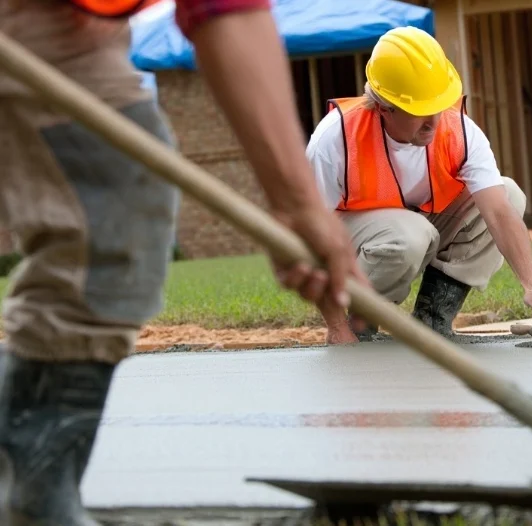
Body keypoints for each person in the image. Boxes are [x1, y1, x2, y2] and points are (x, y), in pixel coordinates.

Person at [0, 0, 368, 523]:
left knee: (121, 202)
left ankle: (33, 489)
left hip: (72, 28)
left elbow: (225, 9)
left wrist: (295, 203)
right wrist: (297, 204)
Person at [305, 27, 532, 344]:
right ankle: (358, 321)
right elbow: (312, 233)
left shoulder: (460, 132)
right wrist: (336, 328)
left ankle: (432, 318)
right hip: (354, 237)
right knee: (410, 235)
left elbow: (498, 212)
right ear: (384, 107)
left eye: (437, 106)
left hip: (414, 227)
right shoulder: (336, 138)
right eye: (420, 111)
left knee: (508, 195)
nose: (434, 122)